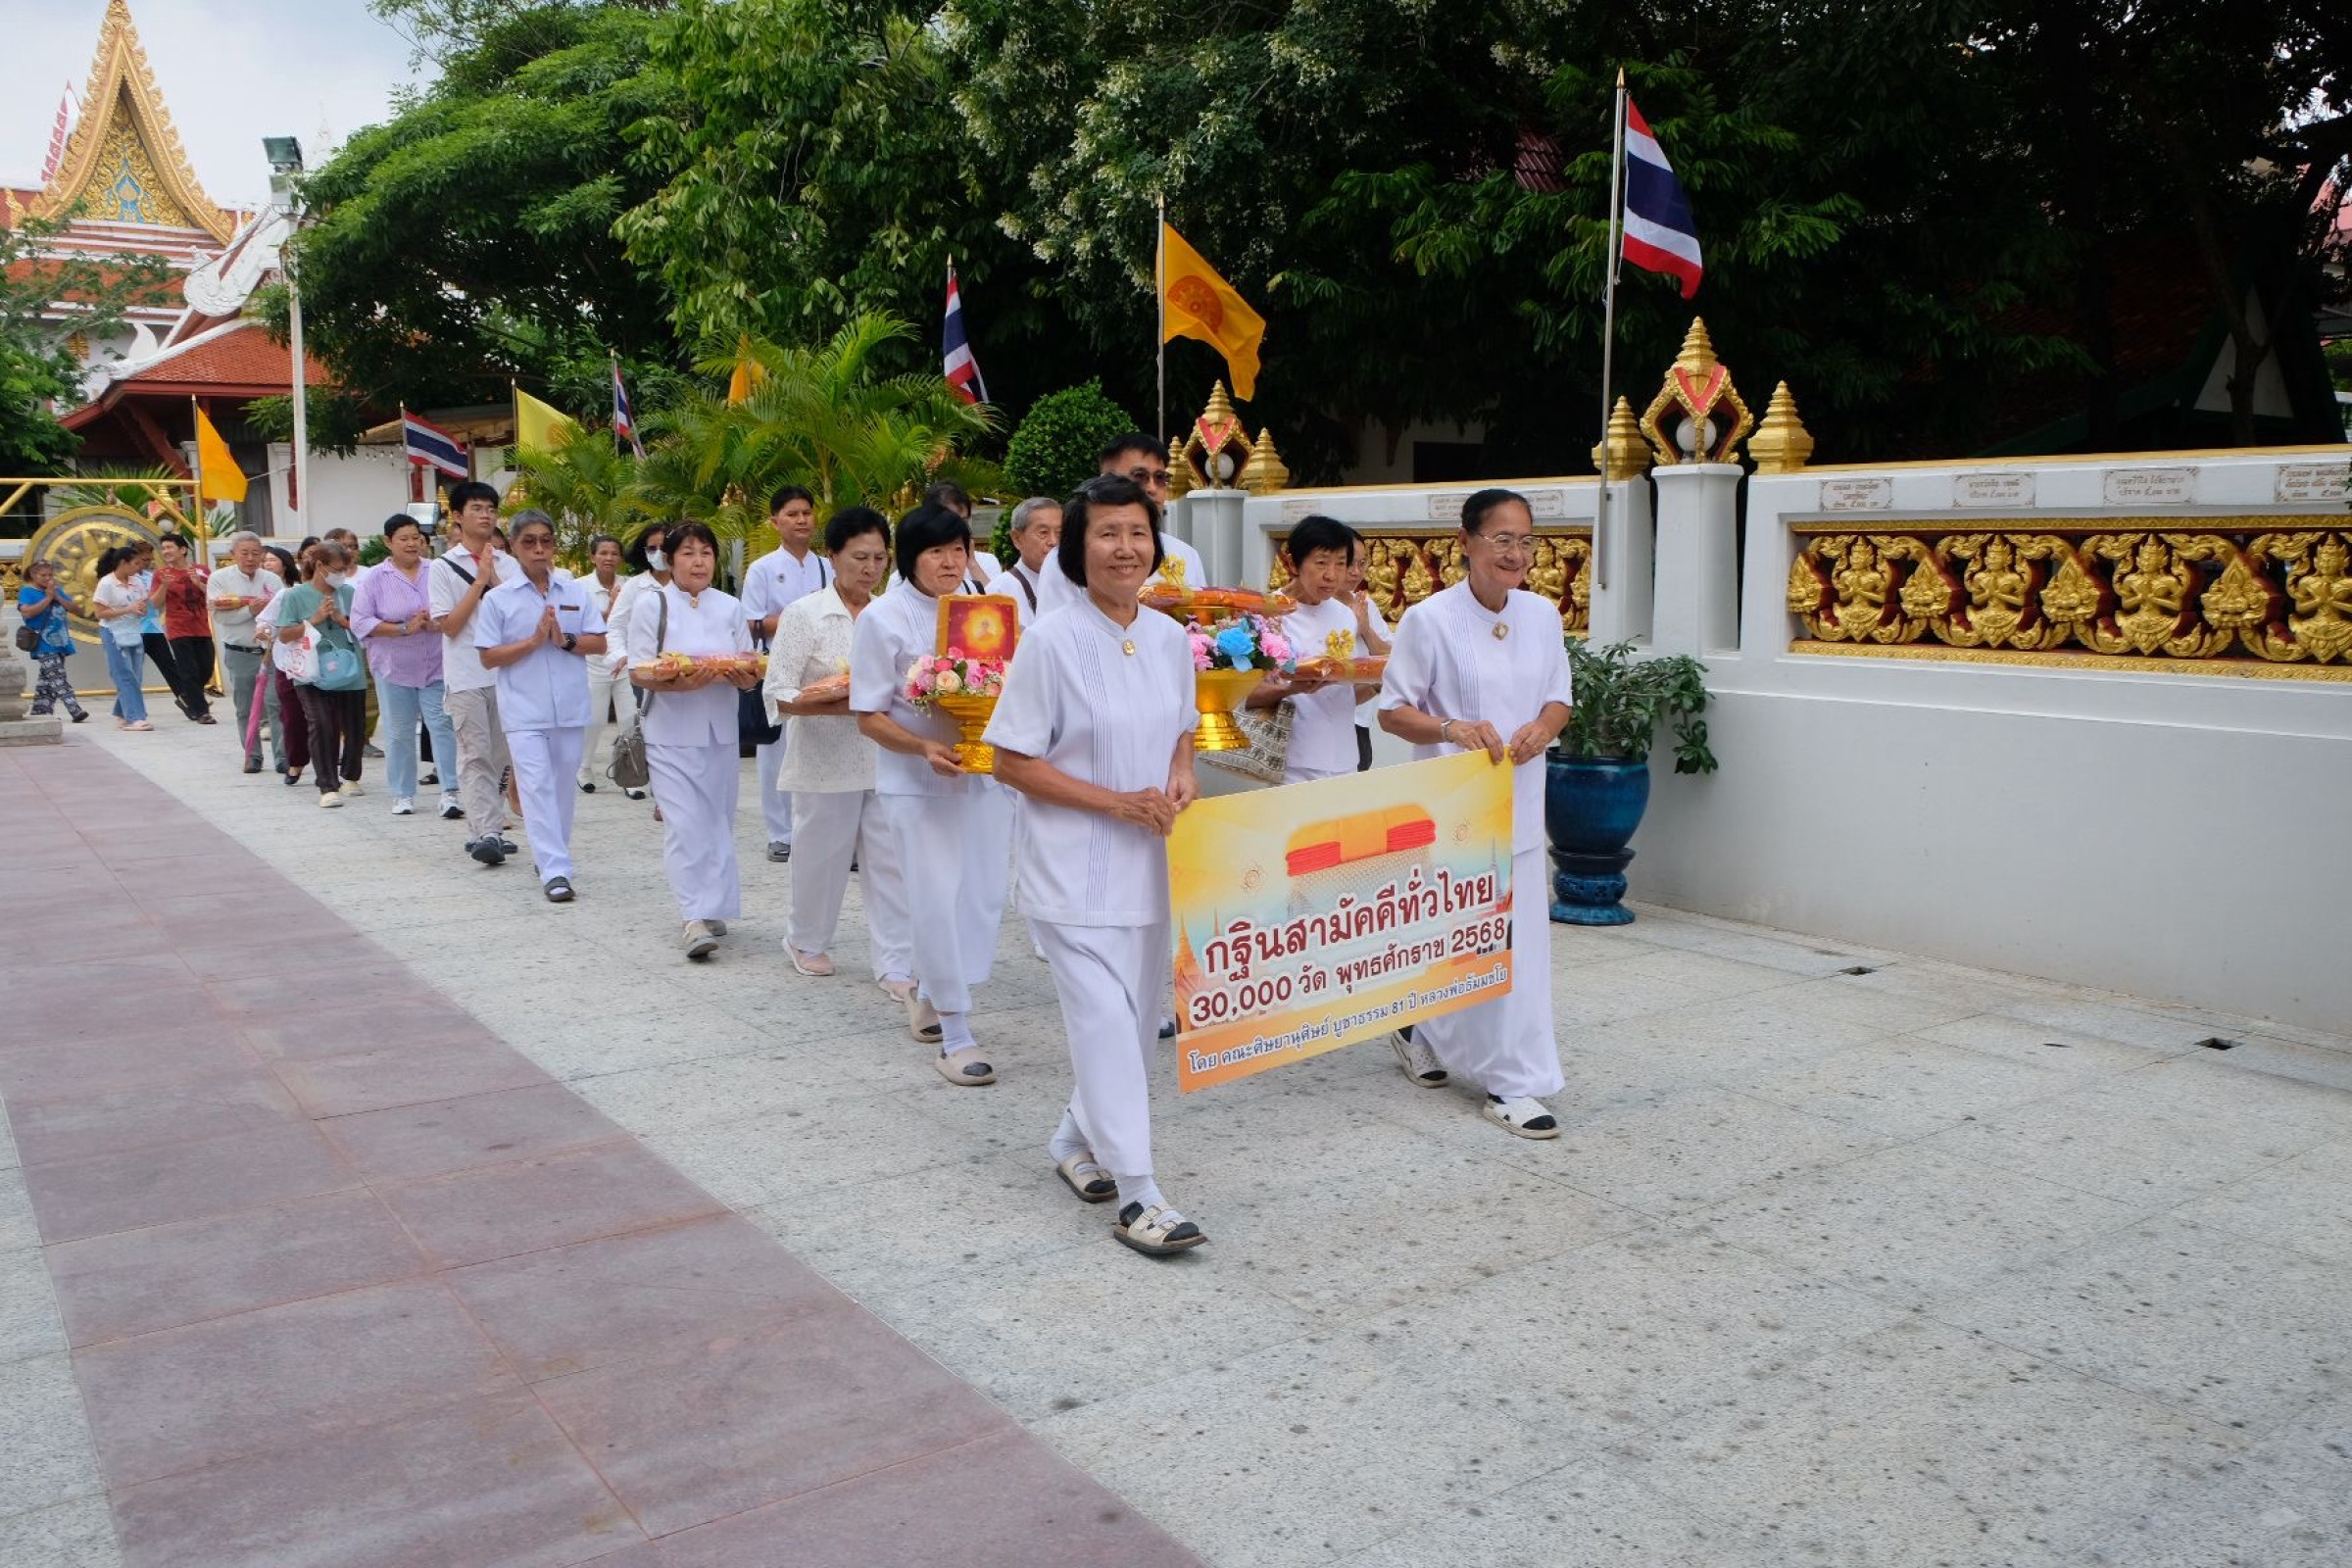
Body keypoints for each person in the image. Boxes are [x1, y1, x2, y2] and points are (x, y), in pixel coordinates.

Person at [987, 474, 1204, 1255]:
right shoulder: (1050, 640)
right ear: (1077, 548)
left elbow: (1182, 726)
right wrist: (1115, 803)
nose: (1126, 548)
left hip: (1150, 864)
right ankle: (1140, 1196)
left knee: (1137, 1025)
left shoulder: (1169, 637)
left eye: (1138, 532)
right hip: (1071, 871)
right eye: (1108, 533)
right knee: (1108, 1027)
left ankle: (1070, 1144)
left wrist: (1181, 772)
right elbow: (1010, 761)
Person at [1378, 487, 1575, 1138]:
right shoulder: (1429, 620)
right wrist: (1453, 727)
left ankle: (1508, 1079)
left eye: (1525, 540)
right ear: (1466, 543)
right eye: (1502, 539)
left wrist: (1543, 730)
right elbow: (1392, 708)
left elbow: (1558, 699)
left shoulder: (1543, 615)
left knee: (1515, 949)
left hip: (1519, 803)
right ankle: (1472, 1058)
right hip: (1453, 810)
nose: (1516, 553)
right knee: (1463, 940)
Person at [851, 502, 1010, 1079]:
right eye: (936, 551)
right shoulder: (883, 618)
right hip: (916, 784)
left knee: (981, 897)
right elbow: (867, 713)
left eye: (959, 549)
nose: (950, 561)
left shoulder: (986, 611)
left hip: (983, 776)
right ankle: (957, 1030)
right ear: (910, 557)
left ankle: (927, 983)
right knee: (937, 899)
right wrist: (922, 748)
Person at [761, 508, 913, 982]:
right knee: (820, 857)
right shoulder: (806, 614)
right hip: (825, 760)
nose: (870, 568)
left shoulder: (894, 614)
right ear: (833, 556)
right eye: (859, 557)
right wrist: (840, 703)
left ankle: (895, 962)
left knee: (890, 863)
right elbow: (779, 692)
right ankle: (806, 938)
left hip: (885, 758)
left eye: (879, 559)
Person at [628, 521, 757, 956]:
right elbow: (639, 669)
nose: (698, 561)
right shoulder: (653, 606)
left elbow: (748, 667)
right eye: (688, 553)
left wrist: (743, 676)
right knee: (684, 824)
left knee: (717, 820)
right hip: (669, 731)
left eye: (706, 552)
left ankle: (713, 902)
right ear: (669, 559)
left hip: (721, 729)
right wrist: (676, 682)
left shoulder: (730, 607)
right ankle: (692, 917)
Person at [473, 510, 607, 902]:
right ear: (512, 546)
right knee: (534, 787)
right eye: (528, 541)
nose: (538, 549)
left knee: (563, 787)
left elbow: (598, 642)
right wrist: (532, 643)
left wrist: (563, 640)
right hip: (523, 710)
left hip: (569, 706)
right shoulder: (499, 599)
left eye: (545, 541)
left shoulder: (574, 592)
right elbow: (488, 656)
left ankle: (553, 855)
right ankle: (555, 869)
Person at [1244, 515, 1377, 784]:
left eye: (1340, 564)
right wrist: (1293, 687)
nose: (1331, 575)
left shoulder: (1346, 615)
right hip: (1292, 762)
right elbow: (1244, 696)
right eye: (1321, 563)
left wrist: (1378, 680)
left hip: (1345, 759)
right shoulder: (1266, 614)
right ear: (1293, 563)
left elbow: (1344, 692)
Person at [740, 485, 830, 863]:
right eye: (792, 514)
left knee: (817, 747)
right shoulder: (762, 569)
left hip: (821, 666)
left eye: (806, 513)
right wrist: (796, 619)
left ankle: (817, 830)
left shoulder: (826, 566)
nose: (801, 520)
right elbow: (751, 622)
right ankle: (780, 833)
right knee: (776, 753)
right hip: (778, 666)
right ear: (775, 522)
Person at [431, 480, 519, 863]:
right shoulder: (441, 567)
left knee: (501, 756)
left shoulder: (510, 563)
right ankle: (486, 830)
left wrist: (494, 577)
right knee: (474, 755)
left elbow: (517, 618)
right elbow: (449, 625)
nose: (485, 515)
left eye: (491, 509)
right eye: (477, 508)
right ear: (457, 516)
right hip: (466, 676)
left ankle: (489, 827)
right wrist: (479, 580)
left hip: (505, 675)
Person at [352, 514, 460, 819]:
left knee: (442, 726)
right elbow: (361, 622)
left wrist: (434, 621)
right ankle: (403, 793)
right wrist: (403, 628)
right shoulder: (374, 578)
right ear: (389, 542)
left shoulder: (438, 570)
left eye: (416, 538)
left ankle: (451, 791)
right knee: (399, 732)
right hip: (393, 668)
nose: (412, 544)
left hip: (437, 665)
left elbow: (455, 610)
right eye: (404, 538)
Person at [1033, 432, 1207, 616]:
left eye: (1160, 478)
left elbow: (1202, 623)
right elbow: (1054, 633)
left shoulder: (1186, 554)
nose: (1152, 488)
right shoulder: (1066, 556)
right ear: (1106, 480)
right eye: (1139, 476)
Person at [274, 540, 370, 806]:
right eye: (337, 569)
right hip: (311, 670)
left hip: (349, 669)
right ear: (320, 566)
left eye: (346, 569)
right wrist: (313, 620)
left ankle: (350, 775)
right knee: (322, 723)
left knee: (354, 725)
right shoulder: (295, 596)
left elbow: (364, 628)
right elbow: (284, 634)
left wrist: (342, 620)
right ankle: (327, 786)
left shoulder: (349, 593)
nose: (342, 575)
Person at [603, 523, 672, 802]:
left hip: (684, 670)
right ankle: (648, 780)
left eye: (663, 547)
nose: (658, 553)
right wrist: (621, 655)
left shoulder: (689, 583)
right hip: (645, 671)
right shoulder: (634, 586)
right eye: (651, 548)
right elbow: (615, 626)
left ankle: (669, 789)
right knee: (651, 729)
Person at [210, 531, 284, 772]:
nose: (250, 558)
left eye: (255, 553)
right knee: (245, 707)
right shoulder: (219, 579)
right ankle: (252, 756)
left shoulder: (272, 580)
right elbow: (220, 616)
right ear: (233, 555)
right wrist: (250, 611)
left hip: (272, 651)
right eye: (244, 553)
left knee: (276, 704)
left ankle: (283, 757)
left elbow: (282, 612)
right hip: (240, 651)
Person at [576, 533, 629, 793]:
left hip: (624, 662)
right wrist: (609, 609)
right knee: (595, 721)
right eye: (603, 553)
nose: (609, 558)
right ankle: (584, 767)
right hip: (593, 663)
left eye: (614, 553)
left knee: (630, 720)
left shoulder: (629, 585)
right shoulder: (579, 587)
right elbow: (579, 626)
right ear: (593, 557)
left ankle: (630, 773)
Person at [257, 546, 312, 785]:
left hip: (326, 665)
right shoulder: (288, 595)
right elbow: (265, 622)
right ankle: (295, 762)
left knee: (326, 718)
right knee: (292, 716)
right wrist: (263, 631)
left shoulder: (340, 593)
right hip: (290, 663)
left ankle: (329, 766)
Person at [152, 533, 217, 724]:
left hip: (201, 627)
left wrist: (198, 583)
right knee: (189, 671)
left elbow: (215, 596)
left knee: (205, 669)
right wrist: (164, 585)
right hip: (177, 628)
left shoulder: (202, 571)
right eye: (163, 549)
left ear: (183, 550)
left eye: (170, 547)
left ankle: (188, 697)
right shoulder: (160, 574)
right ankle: (202, 712)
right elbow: (155, 603)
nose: (166, 552)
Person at [89, 547, 154, 731]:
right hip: (113, 633)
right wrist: (127, 610)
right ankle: (135, 717)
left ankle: (121, 712)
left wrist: (141, 610)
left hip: (134, 631)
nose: (139, 568)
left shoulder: (137, 582)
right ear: (123, 563)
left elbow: (143, 607)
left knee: (136, 674)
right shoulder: (107, 583)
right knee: (124, 674)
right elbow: (100, 612)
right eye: (136, 564)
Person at [16, 560, 87, 723]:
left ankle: (41, 712)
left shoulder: (57, 590)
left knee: (47, 681)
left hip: (60, 642)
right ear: (33, 575)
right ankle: (75, 709)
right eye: (43, 575)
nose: (47, 578)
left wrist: (56, 596)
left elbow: (78, 610)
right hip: (42, 643)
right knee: (57, 676)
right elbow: (27, 613)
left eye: (50, 575)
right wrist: (48, 598)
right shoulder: (27, 592)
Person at [1344, 539, 1392, 771]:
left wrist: (1365, 629)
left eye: (1362, 564)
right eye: (1348, 564)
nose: (1356, 572)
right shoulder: (1309, 606)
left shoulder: (1365, 604)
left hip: (1358, 719)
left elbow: (1389, 656)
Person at [984, 497, 1061, 627]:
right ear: (1017, 539)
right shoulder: (998, 593)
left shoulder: (1078, 585)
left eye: (1060, 533)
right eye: (1043, 533)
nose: (1054, 541)